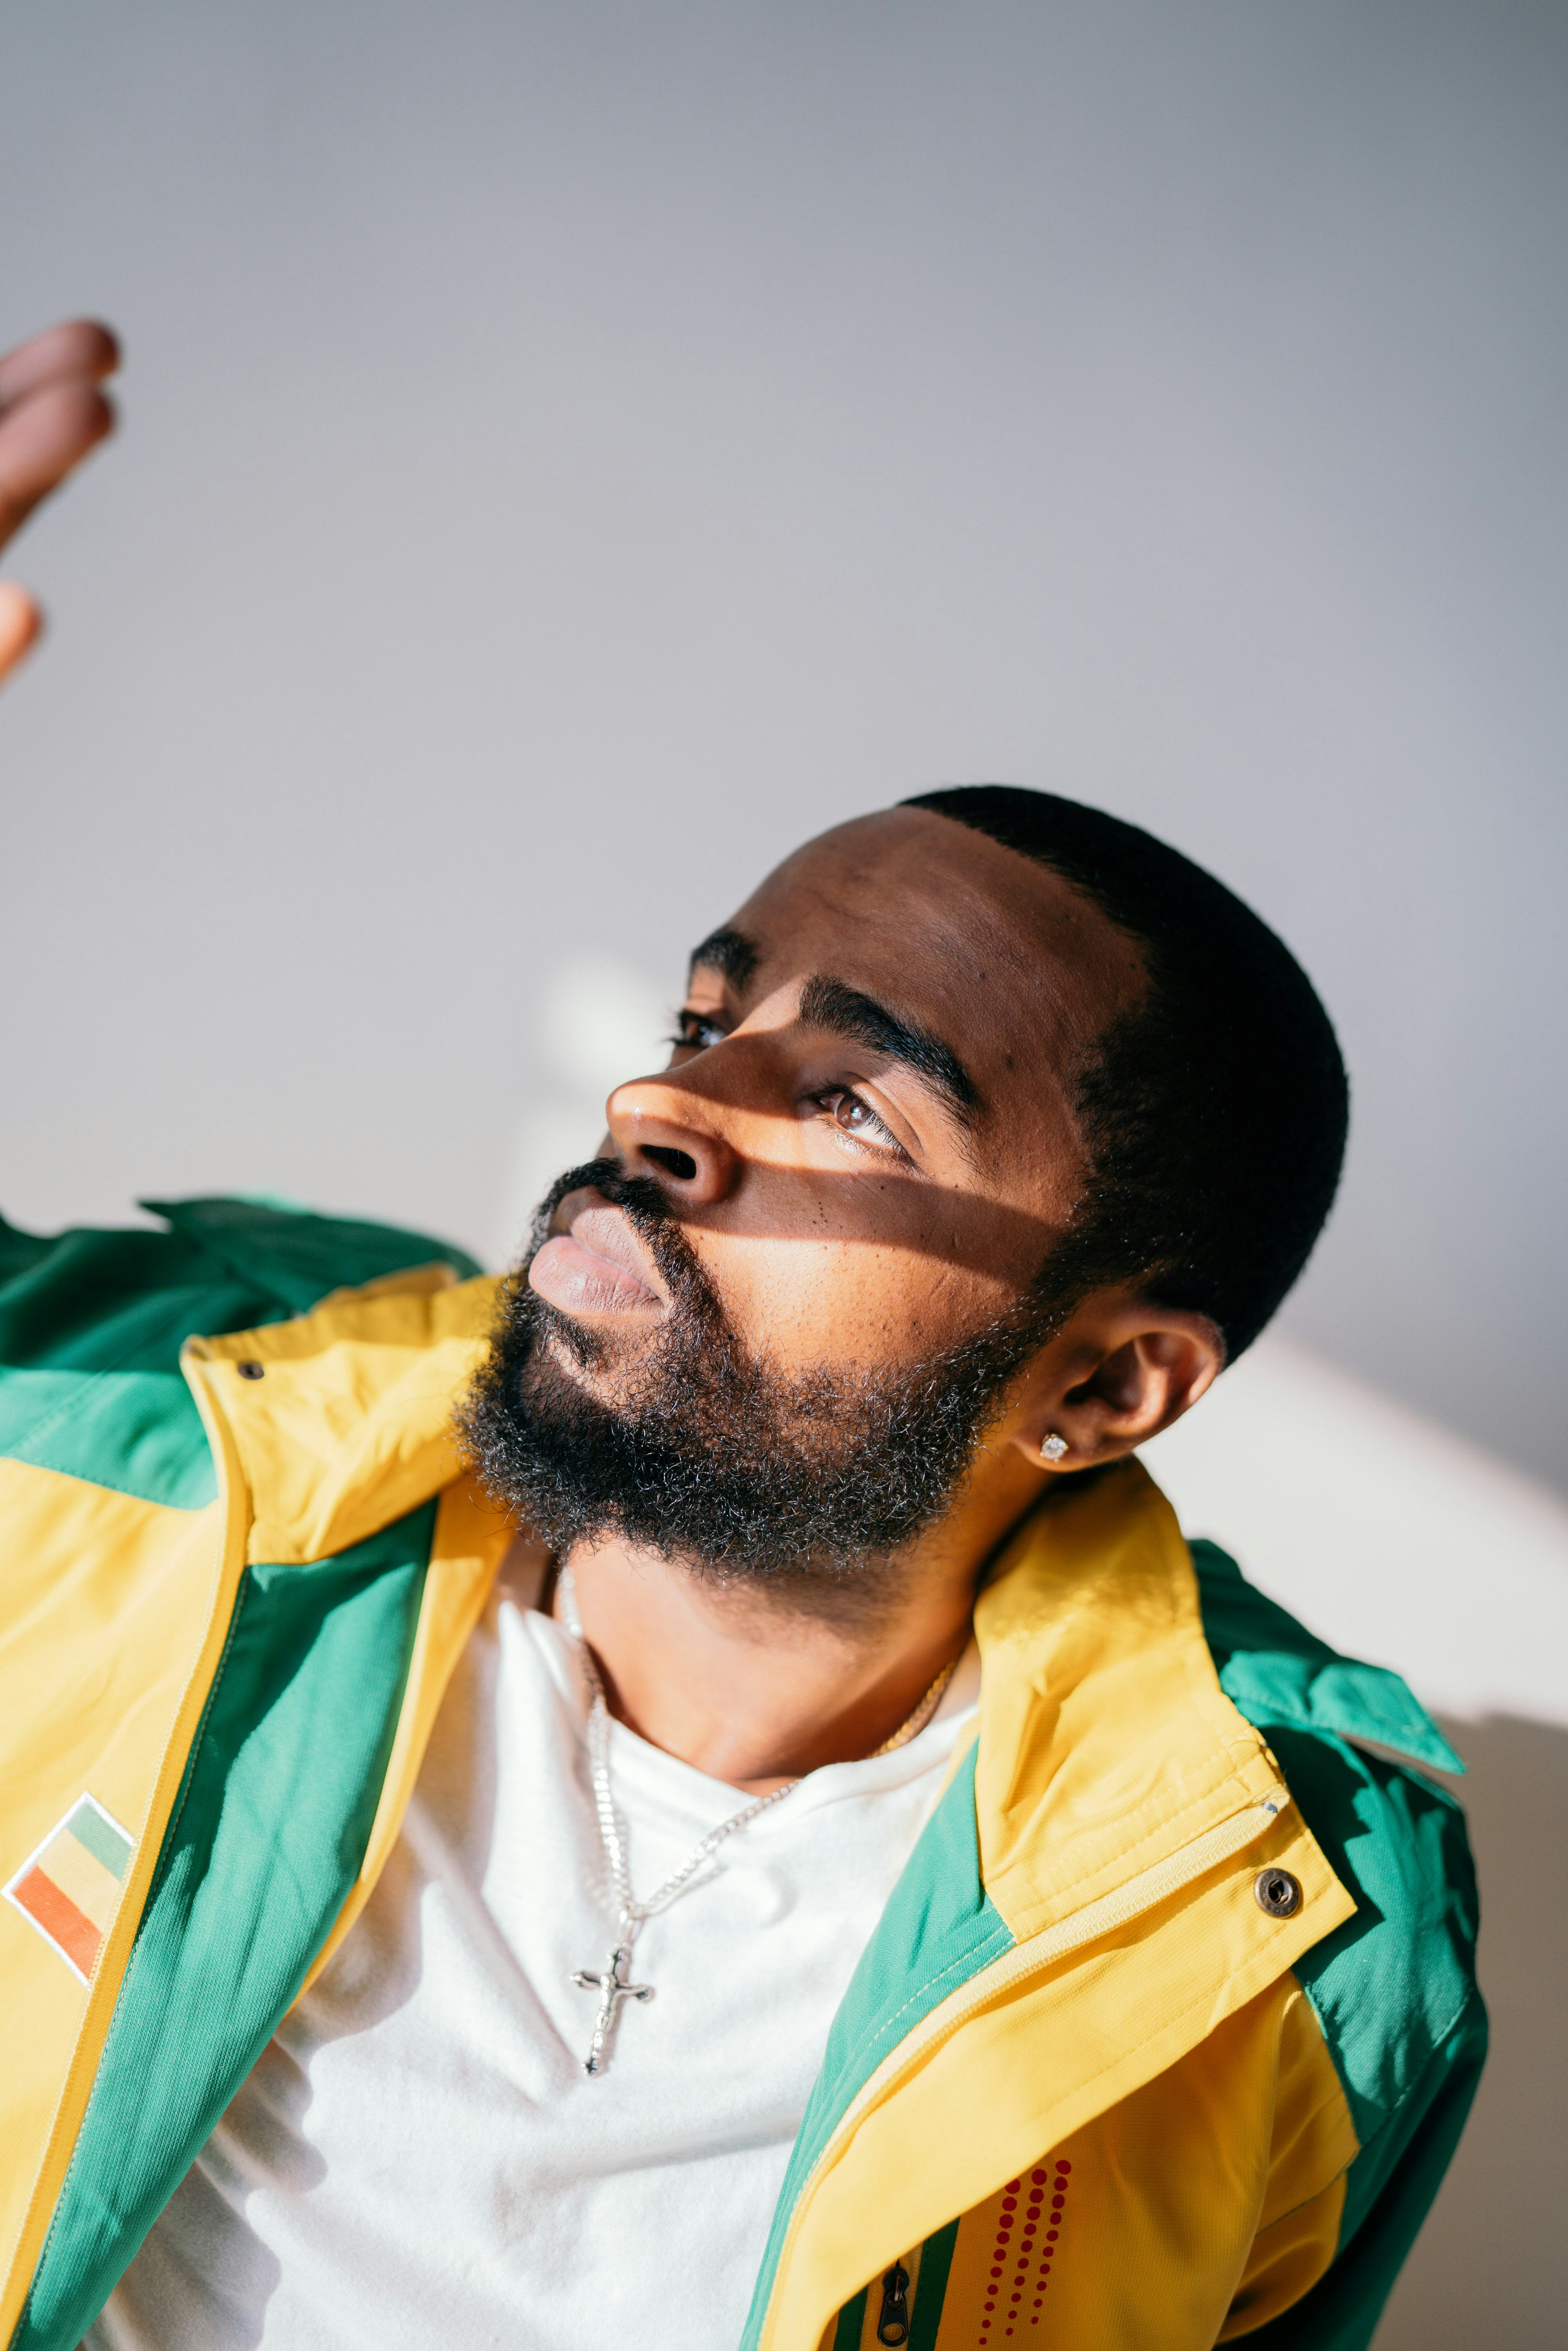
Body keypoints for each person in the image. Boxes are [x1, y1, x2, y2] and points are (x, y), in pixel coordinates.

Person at [0, 321, 1483, 2351]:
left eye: (858, 1105)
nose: (658, 1107)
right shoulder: (127, 1438)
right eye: (709, 1026)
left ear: (1101, 1386)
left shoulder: (1299, 1943)